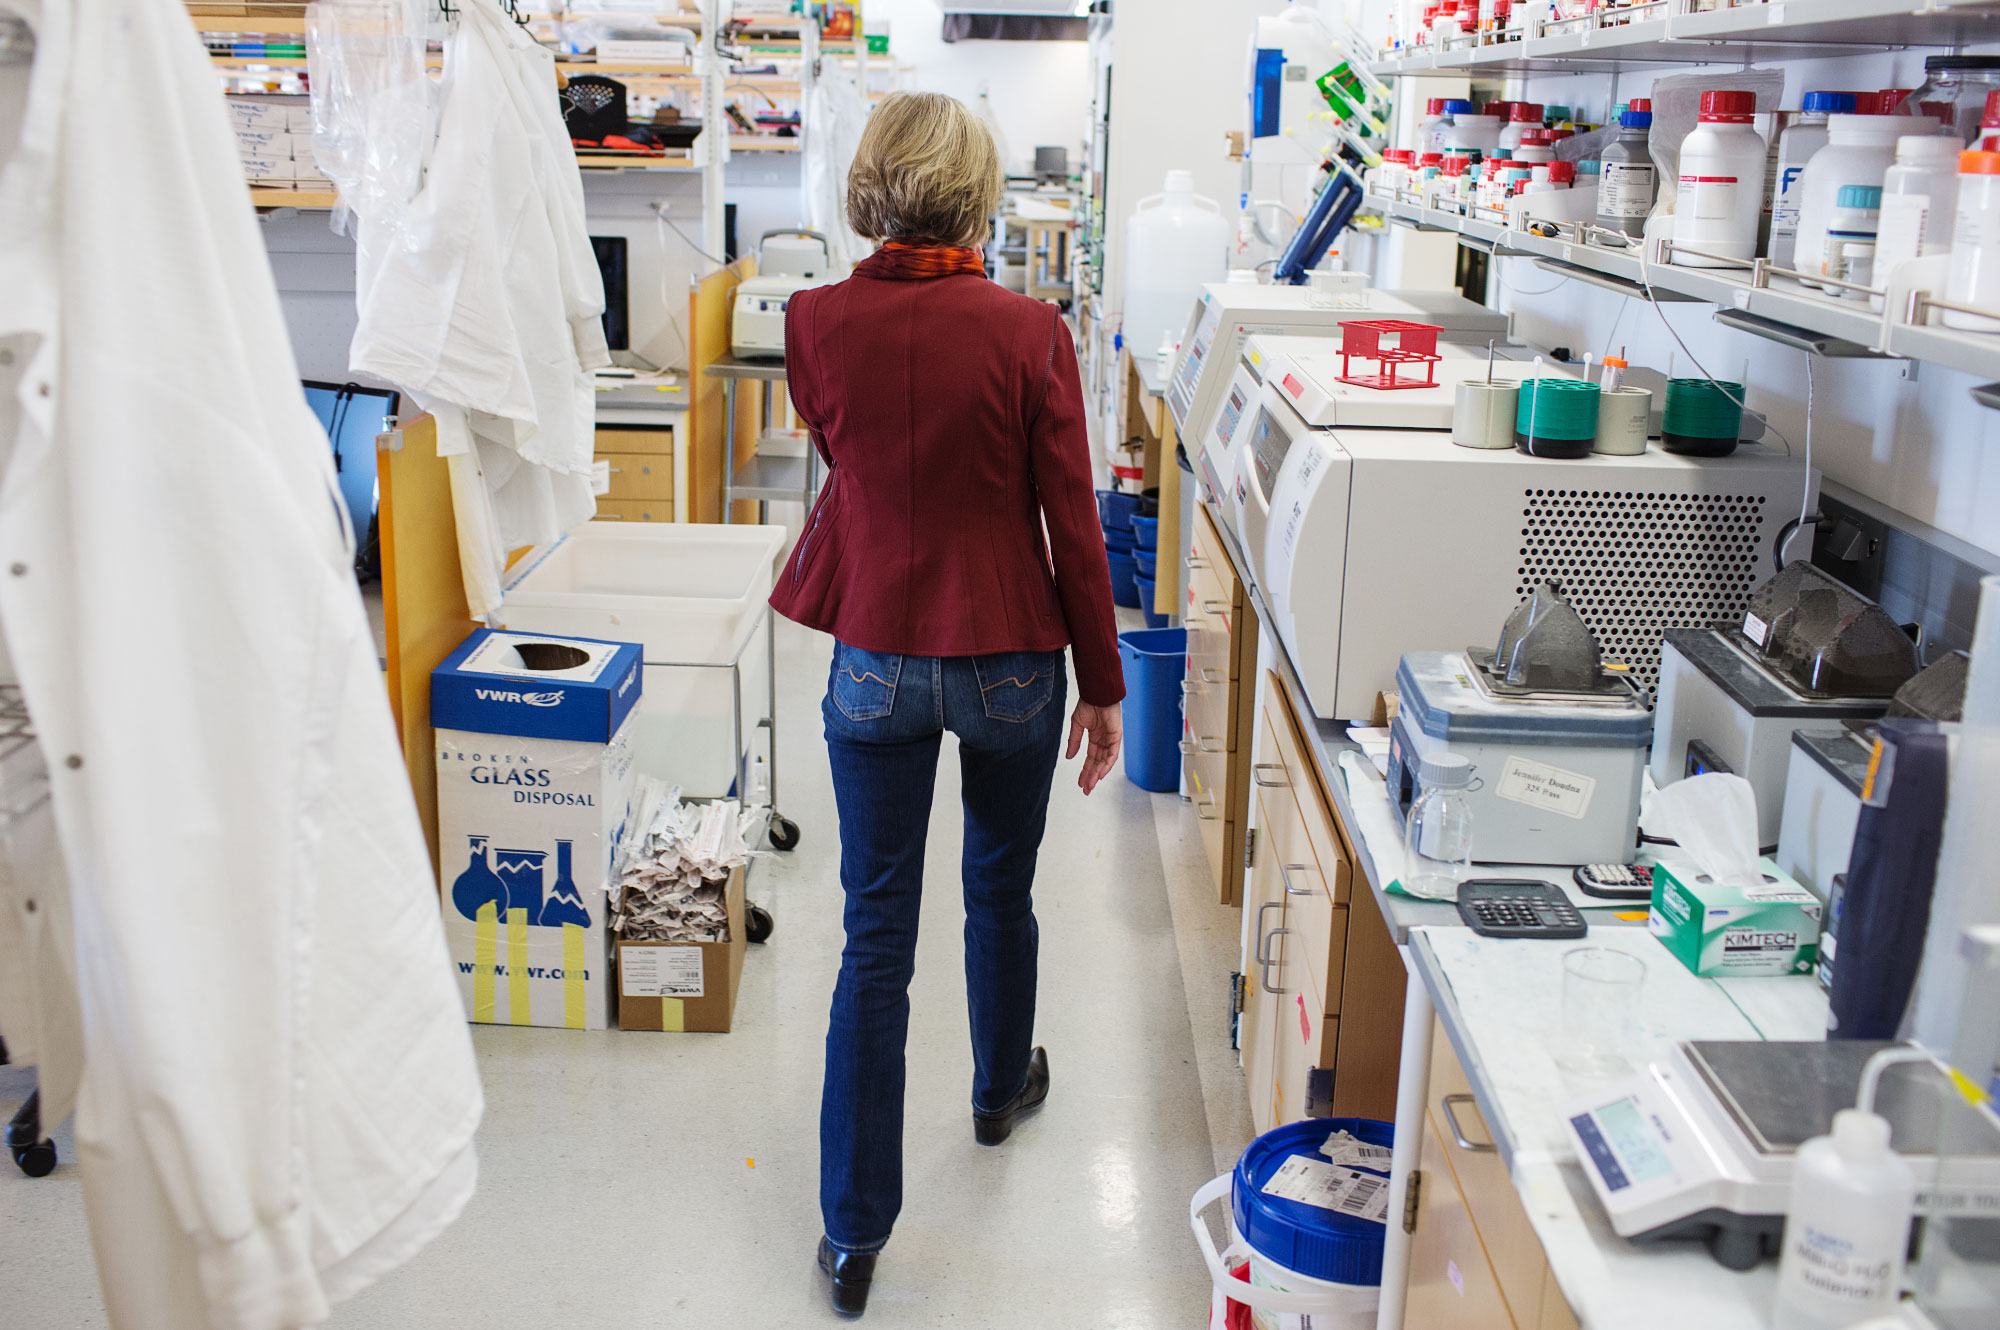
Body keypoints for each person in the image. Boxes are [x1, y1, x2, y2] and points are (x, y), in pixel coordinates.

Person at [768, 90, 1126, 1318]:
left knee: (873, 937)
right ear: (977, 193)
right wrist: (1104, 686)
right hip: (1011, 655)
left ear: (870, 185)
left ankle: (853, 1233)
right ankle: (991, 1090)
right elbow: (1071, 525)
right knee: (999, 886)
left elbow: (845, 460)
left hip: (872, 649)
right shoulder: (1030, 332)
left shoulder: (812, 321)